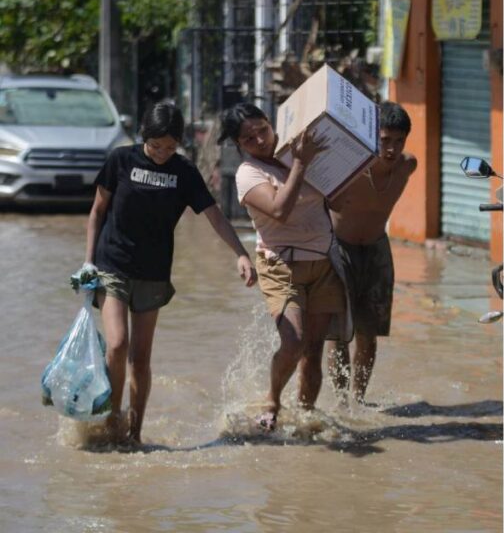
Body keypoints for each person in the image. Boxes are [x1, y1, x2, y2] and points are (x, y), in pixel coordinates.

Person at [81, 101, 257, 445]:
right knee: (117, 345)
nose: (162, 153)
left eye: (170, 147)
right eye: (155, 145)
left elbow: (215, 217)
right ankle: (113, 418)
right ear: (143, 137)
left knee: (141, 358)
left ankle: (135, 432)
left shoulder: (184, 172)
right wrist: (88, 262)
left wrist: (240, 253)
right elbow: (97, 211)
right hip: (112, 263)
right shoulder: (121, 160)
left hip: (153, 272)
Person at [221, 102, 346, 431]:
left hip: (322, 263)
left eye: (263, 129)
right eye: (249, 139)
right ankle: (272, 400)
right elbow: (280, 210)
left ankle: (305, 419)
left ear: (271, 123)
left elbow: (336, 197)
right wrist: (302, 165)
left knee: (313, 352)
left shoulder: (297, 153)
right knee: (294, 342)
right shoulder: (249, 174)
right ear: (239, 146)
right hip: (280, 265)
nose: (260, 140)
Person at [325, 101, 417, 403]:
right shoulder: (348, 170)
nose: (391, 148)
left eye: (398, 141)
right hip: (341, 250)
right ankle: (340, 402)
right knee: (339, 334)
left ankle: (358, 400)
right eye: (384, 140)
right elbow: (323, 201)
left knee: (369, 334)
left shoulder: (407, 166)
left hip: (377, 250)